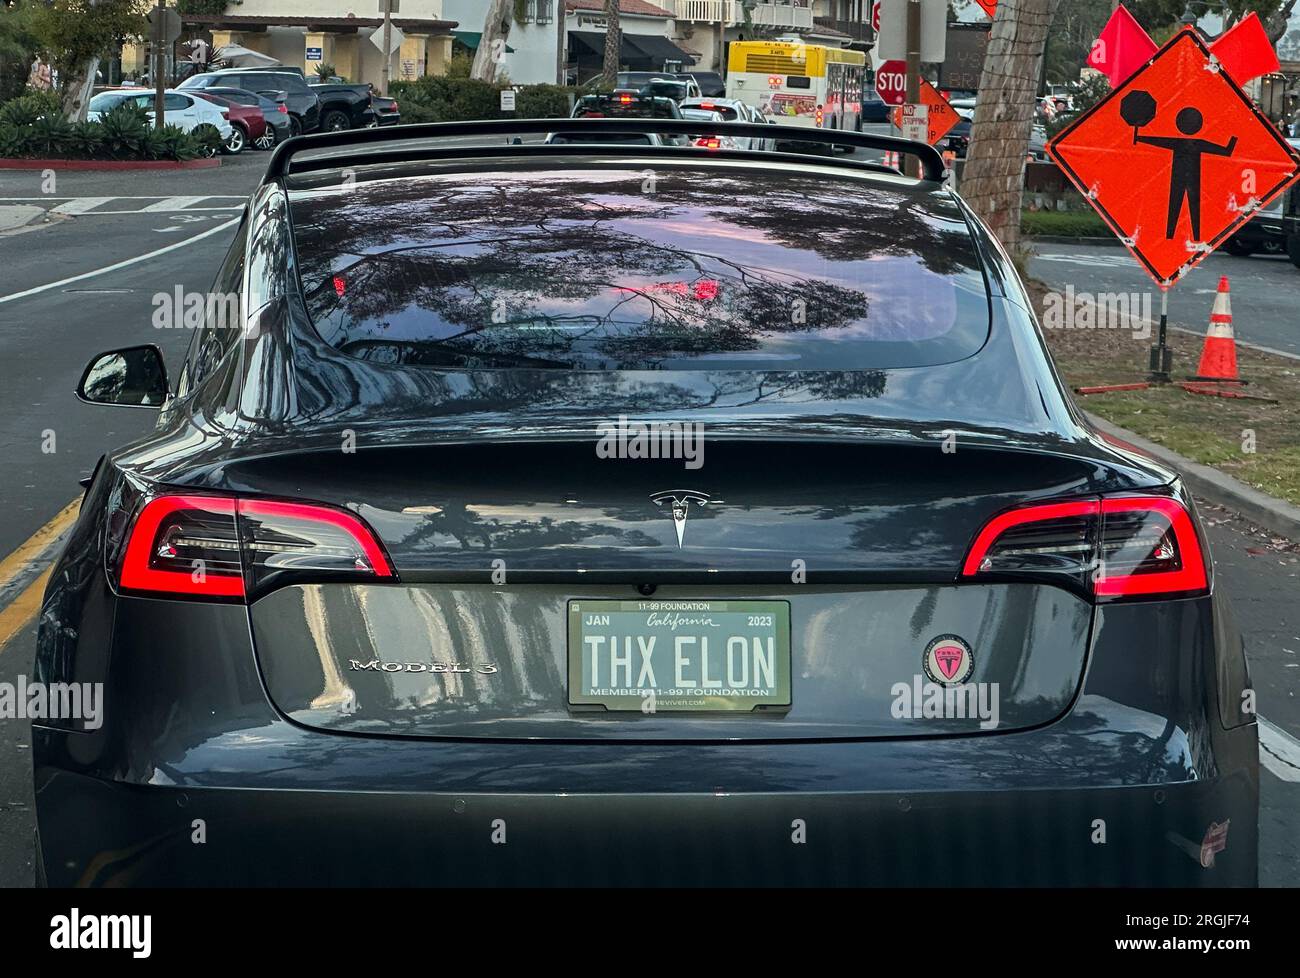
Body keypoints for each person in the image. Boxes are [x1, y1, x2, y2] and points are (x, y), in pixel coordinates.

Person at [1135, 106, 1237, 240]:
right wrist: (1139, 137)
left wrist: (1139, 137)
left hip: (1186, 178)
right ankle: (1176, 236)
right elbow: (1226, 150)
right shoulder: (1193, 143)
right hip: (1183, 178)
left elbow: (1225, 151)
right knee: (1183, 205)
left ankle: (1187, 236)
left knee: (1187, 206)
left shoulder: (1186, 142)